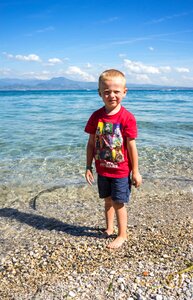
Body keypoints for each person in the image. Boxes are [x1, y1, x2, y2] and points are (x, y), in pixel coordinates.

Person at [84, 69, 142, 249]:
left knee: (118, 202)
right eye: (107, 91)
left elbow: (131, 147)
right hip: (103, 169)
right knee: (107, 200)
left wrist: (136, 171)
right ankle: (109, 228)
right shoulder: (96, 116)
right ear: (99, 93)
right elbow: (91, 144)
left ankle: (122, 234)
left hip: (121, 171)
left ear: (124, 92)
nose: (112, 95)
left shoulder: (127, 118)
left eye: (116, 91)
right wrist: (88, 166)